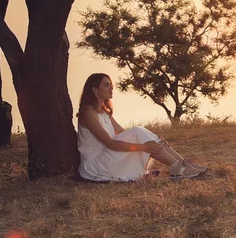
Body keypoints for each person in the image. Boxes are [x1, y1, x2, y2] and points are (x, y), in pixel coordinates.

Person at [76, 73, 207, 181]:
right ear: (94, 89)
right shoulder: (88, 112)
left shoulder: (104, 112)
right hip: (94, 166)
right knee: (137, 131)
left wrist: (153, 139)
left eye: (111, 84)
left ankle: (182, 163)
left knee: (140, 132)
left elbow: (122, 133)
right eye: (106, 85)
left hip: (107, 158)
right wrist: (144, 147)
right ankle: (176, 167)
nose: (111, 88)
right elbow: (110, 143)